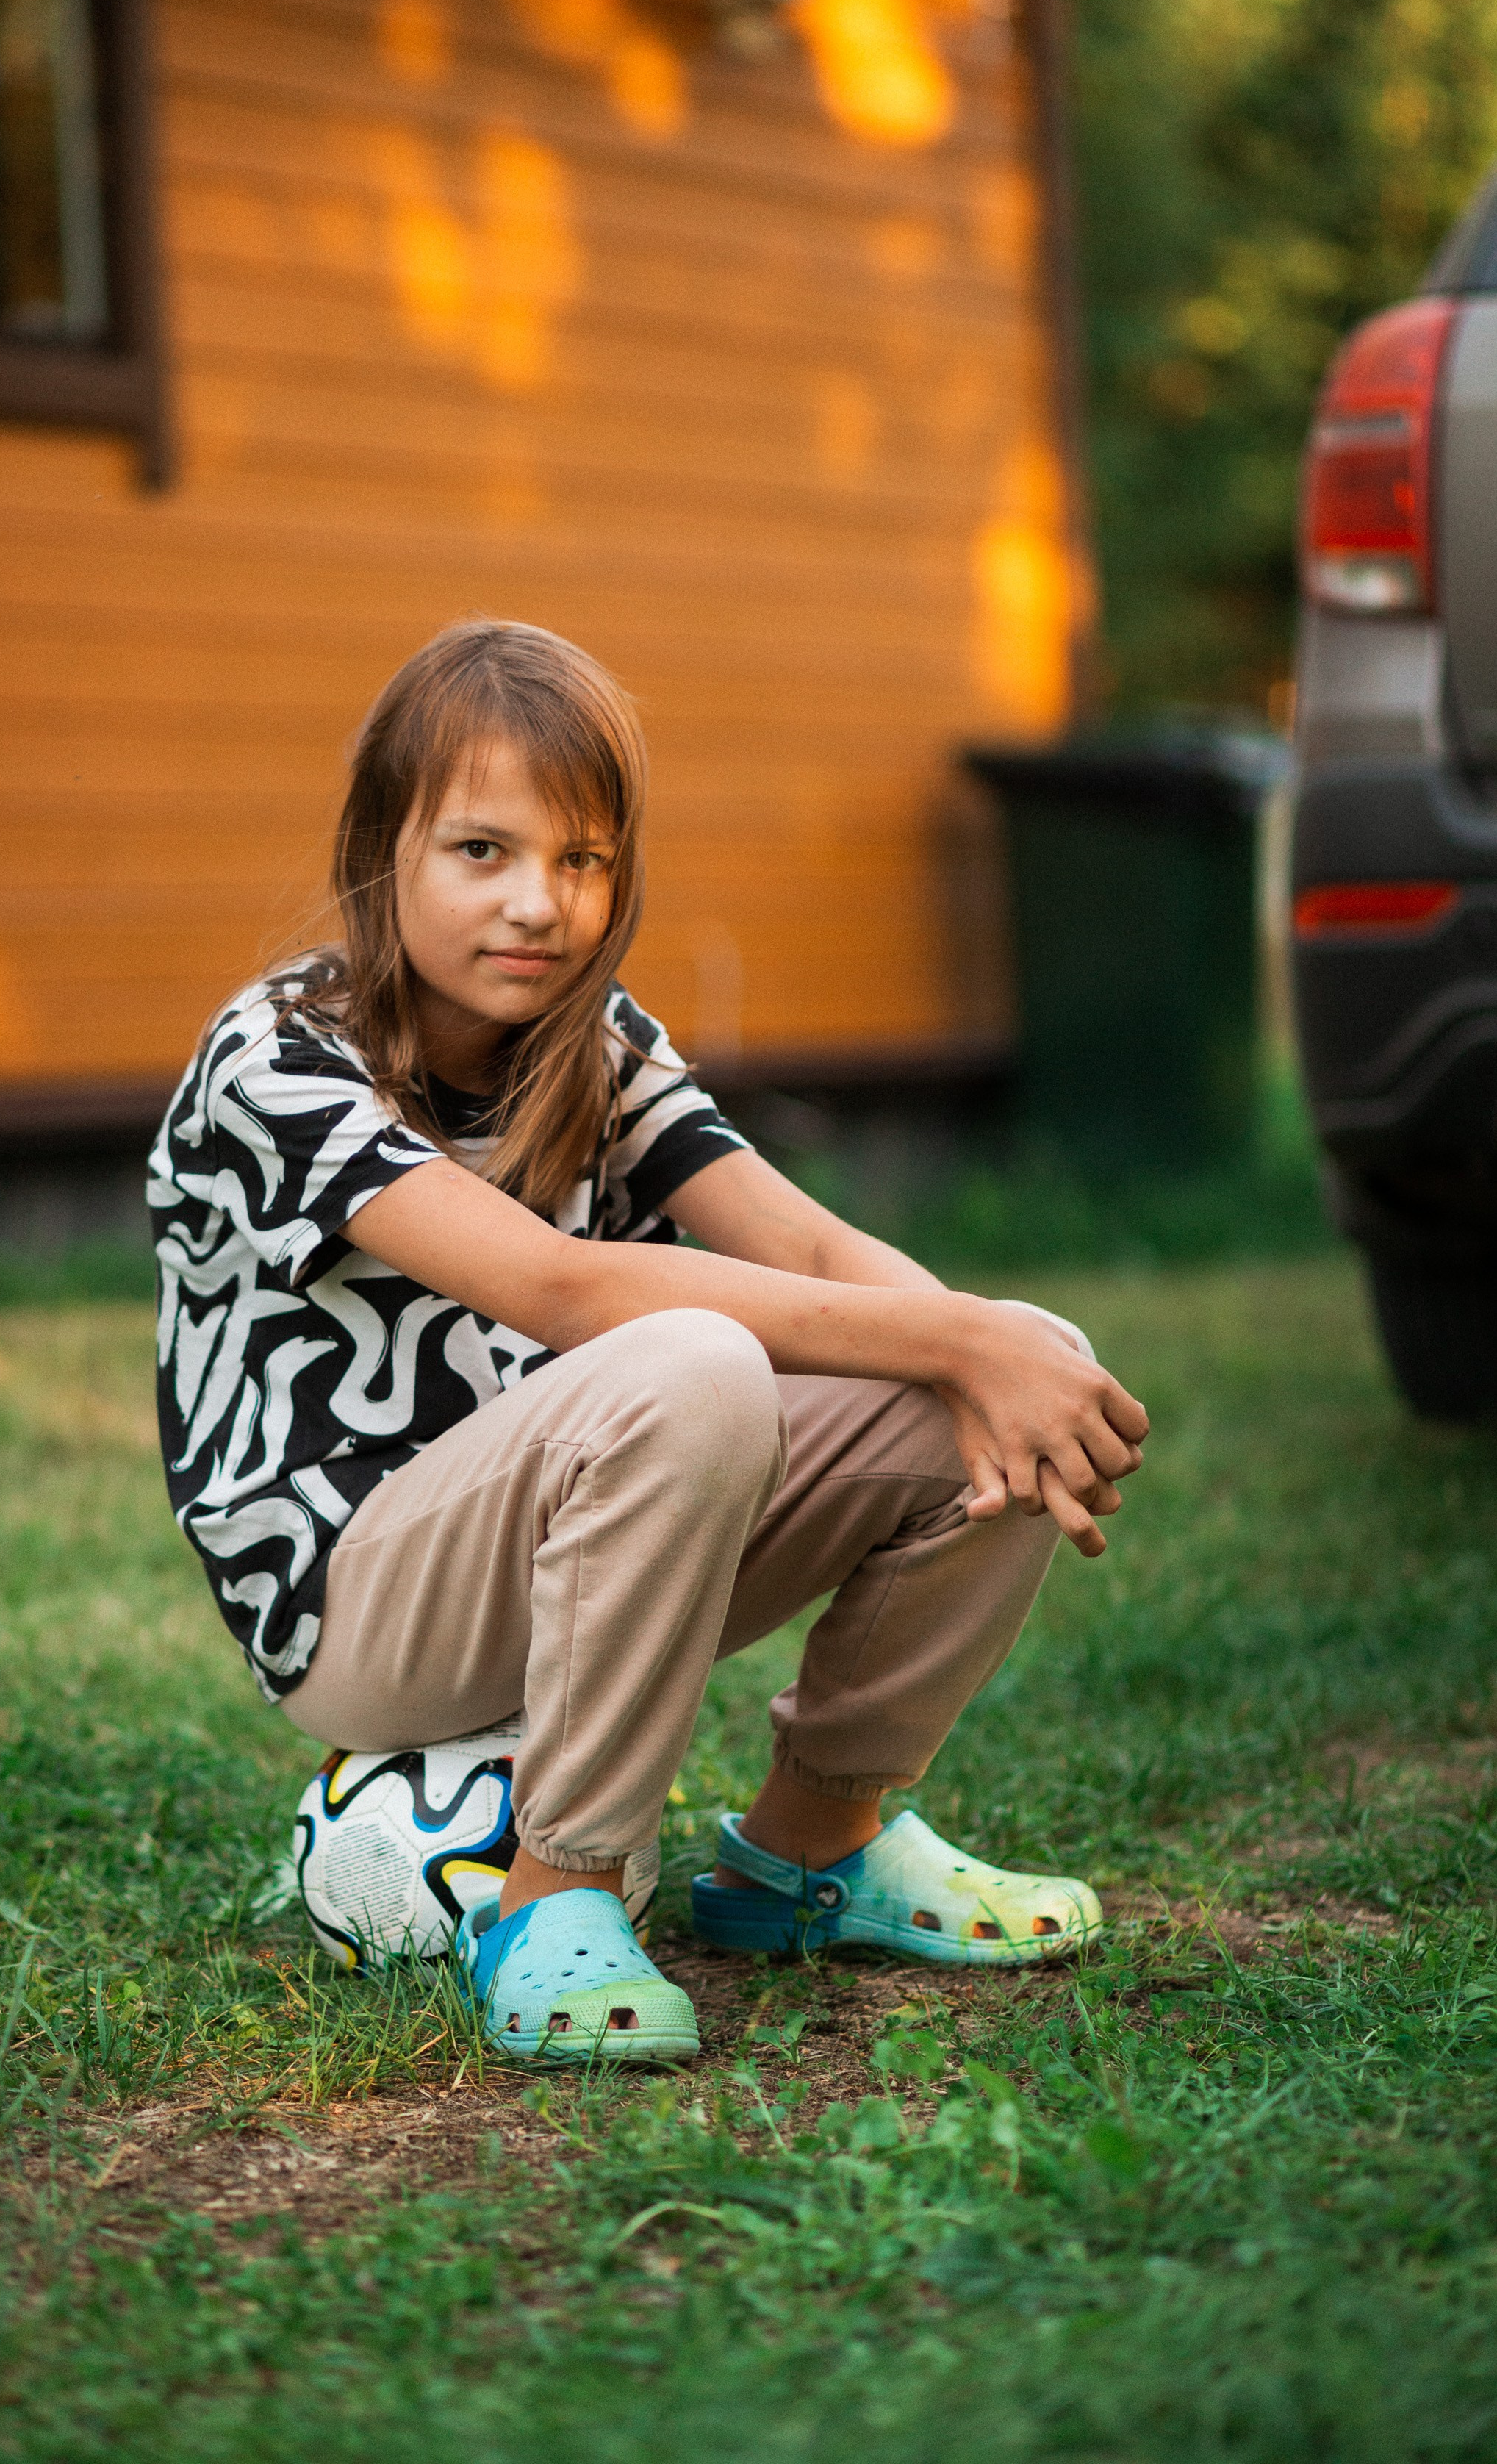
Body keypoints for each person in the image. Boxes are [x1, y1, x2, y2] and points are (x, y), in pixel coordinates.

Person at [150, 620, 1149, 2065]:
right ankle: (551, 1899)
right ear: (383, 852)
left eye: (580, 860)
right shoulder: (275, 1063)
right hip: (359, 1600)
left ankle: (809, 1852)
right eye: (481, 852)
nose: (535, 905)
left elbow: (802, 1247)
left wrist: (987, 1354)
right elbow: (556, 1291)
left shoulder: (592, 1041)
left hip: (599, 1514)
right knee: (699, 1357)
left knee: (984, 1364)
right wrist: (953, 1336)